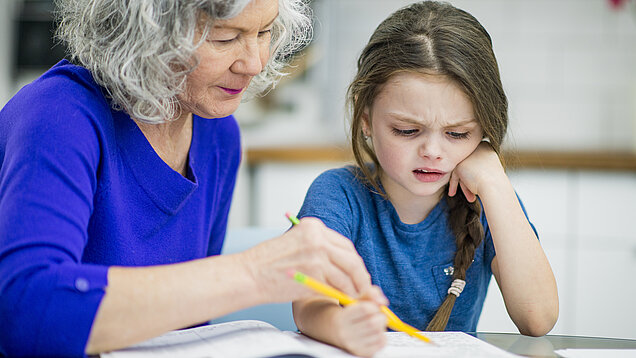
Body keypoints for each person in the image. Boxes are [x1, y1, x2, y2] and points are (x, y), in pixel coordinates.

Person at [0, 0, 387, 356]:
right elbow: (25, 309)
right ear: (146, 34)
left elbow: (185, 330)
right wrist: (254, 273)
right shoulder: (57, 116)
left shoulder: (218, 135)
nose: (254, 63)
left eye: (264, 32)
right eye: (225, 37)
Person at [292, 2, 559, 357]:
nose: (432, 151)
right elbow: (308, 302)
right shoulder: (339, 194)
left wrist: (495, 182)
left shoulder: (487, 200)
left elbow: (537, 319)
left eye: (458, 134)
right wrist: (339, 326)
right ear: (366, 118)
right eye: (407, 130)